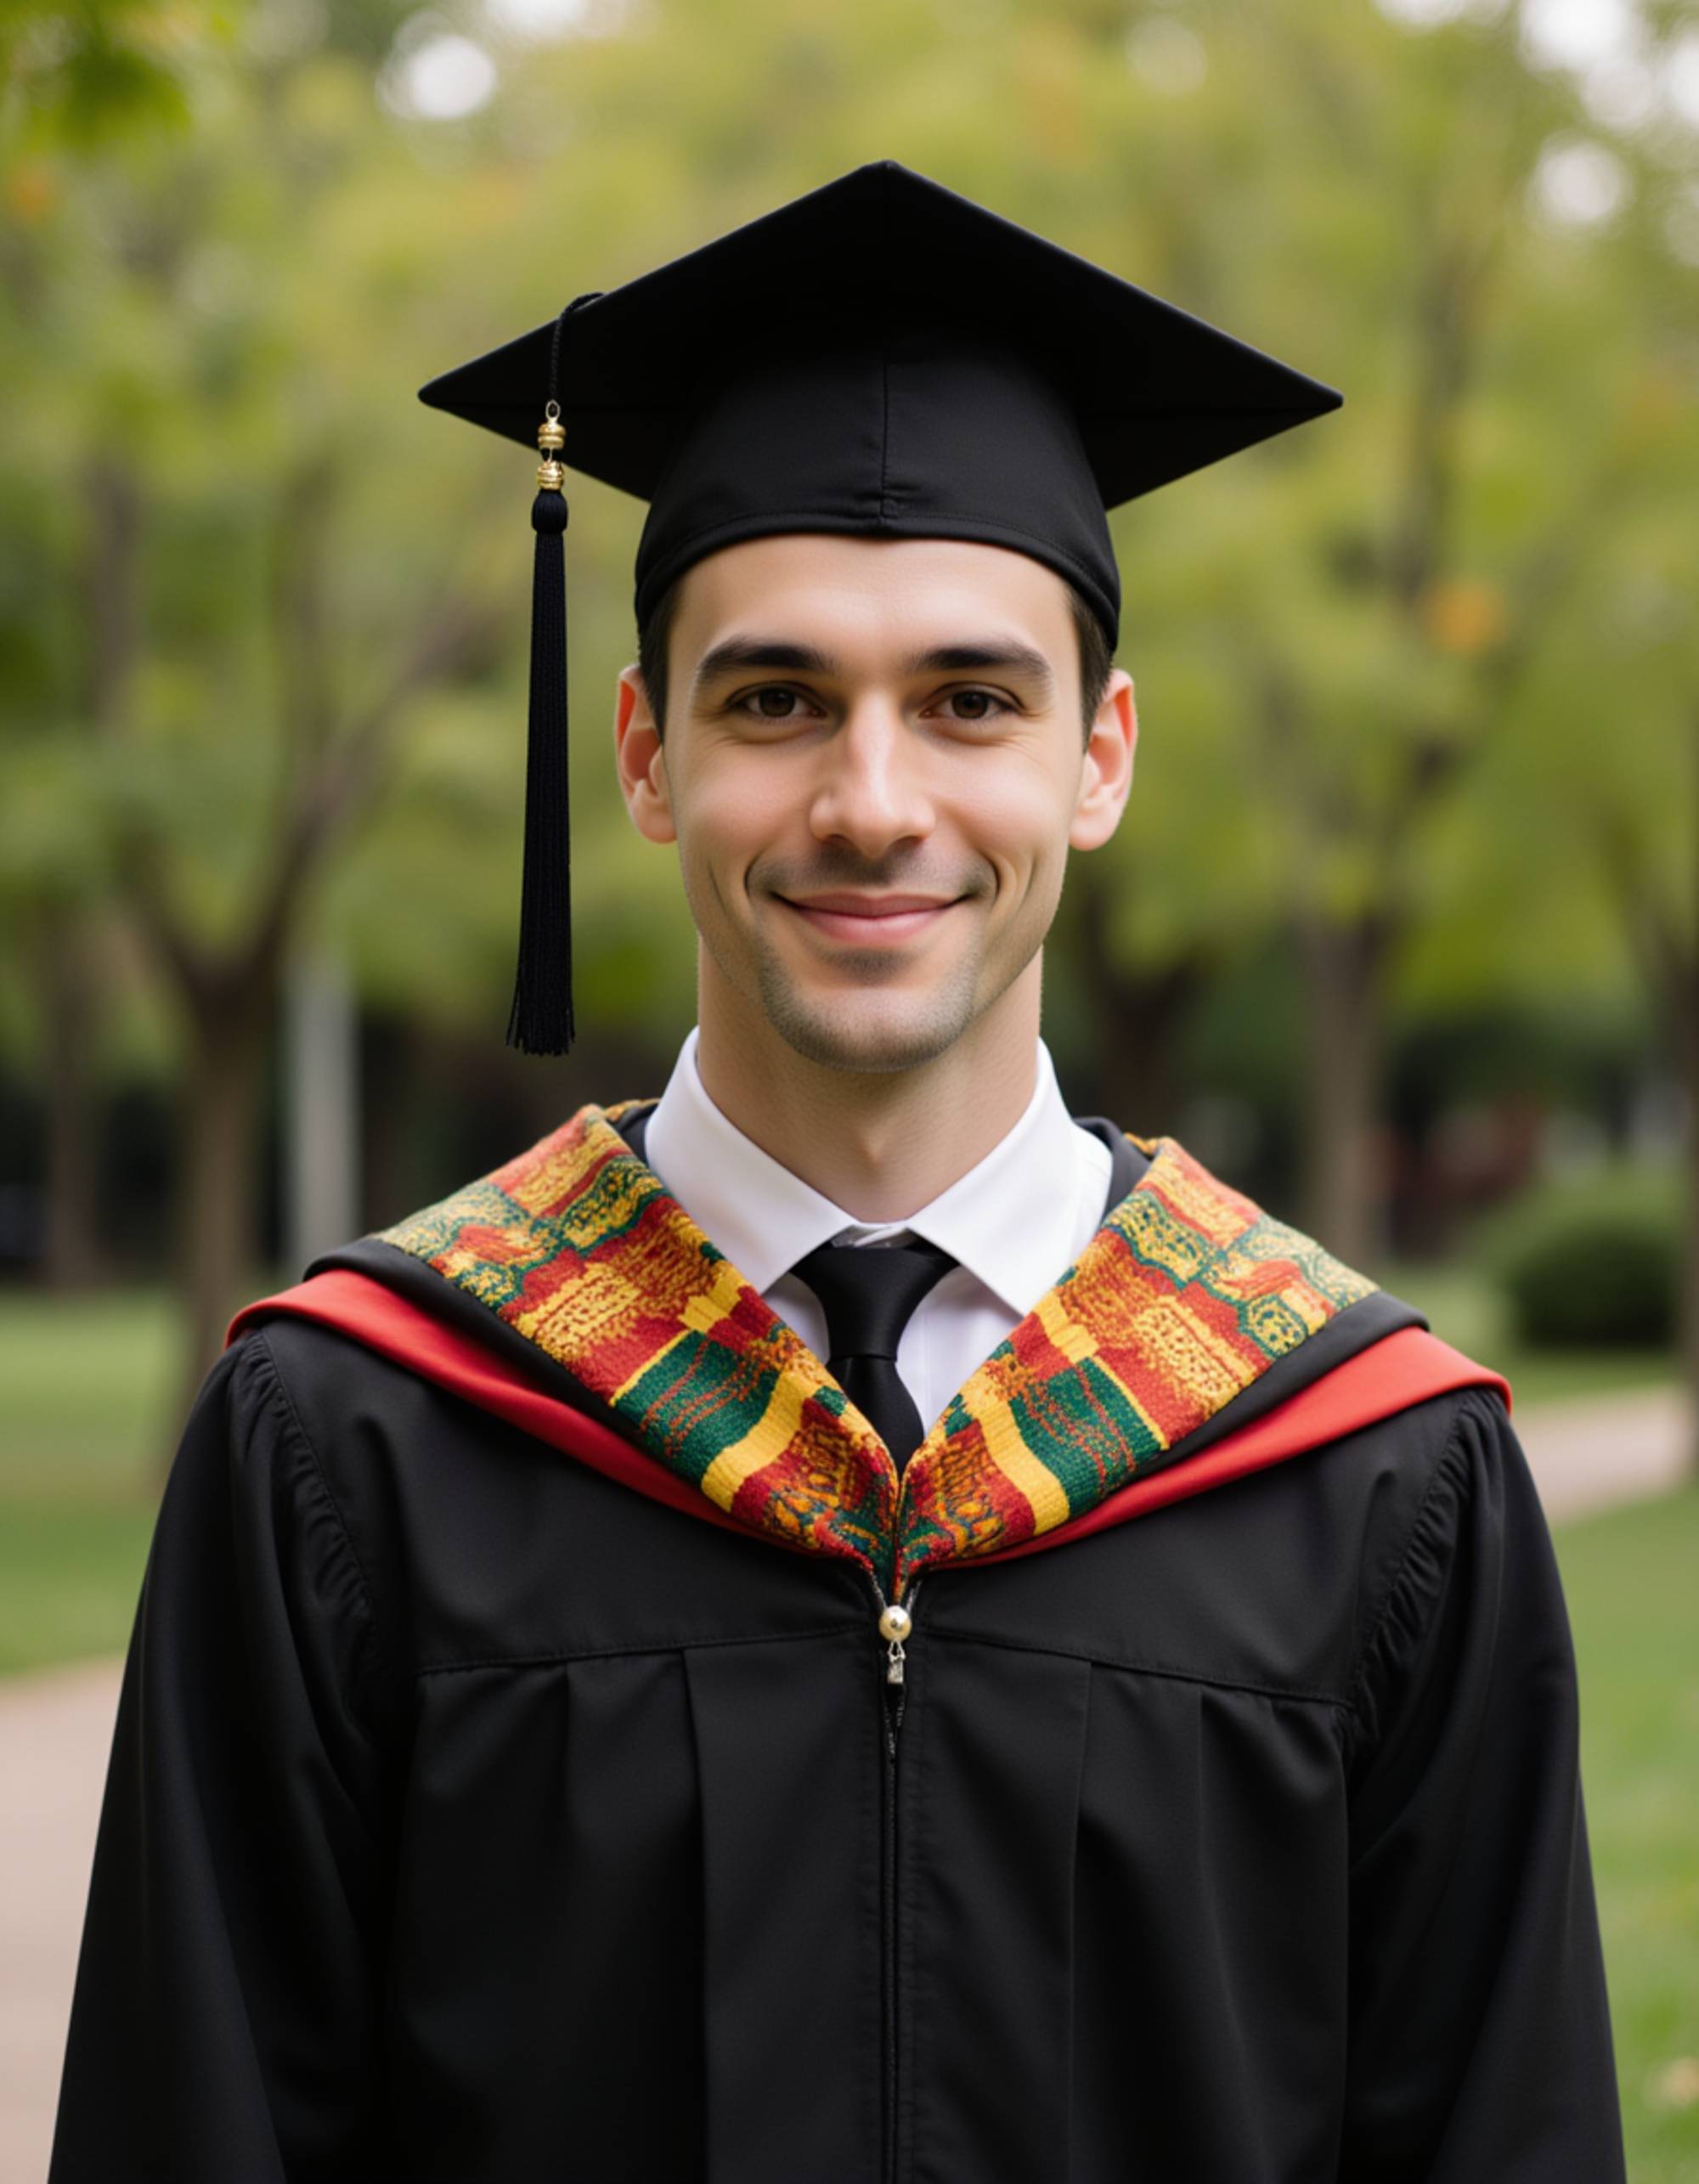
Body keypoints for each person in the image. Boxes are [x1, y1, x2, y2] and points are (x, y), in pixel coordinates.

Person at [50, 161, 1624, 2183]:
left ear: (1101, 756)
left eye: (970, 700)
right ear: (642, 755)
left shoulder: (1377, 1475)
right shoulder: (351, 1442)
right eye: (776, 699)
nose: (871, 802)